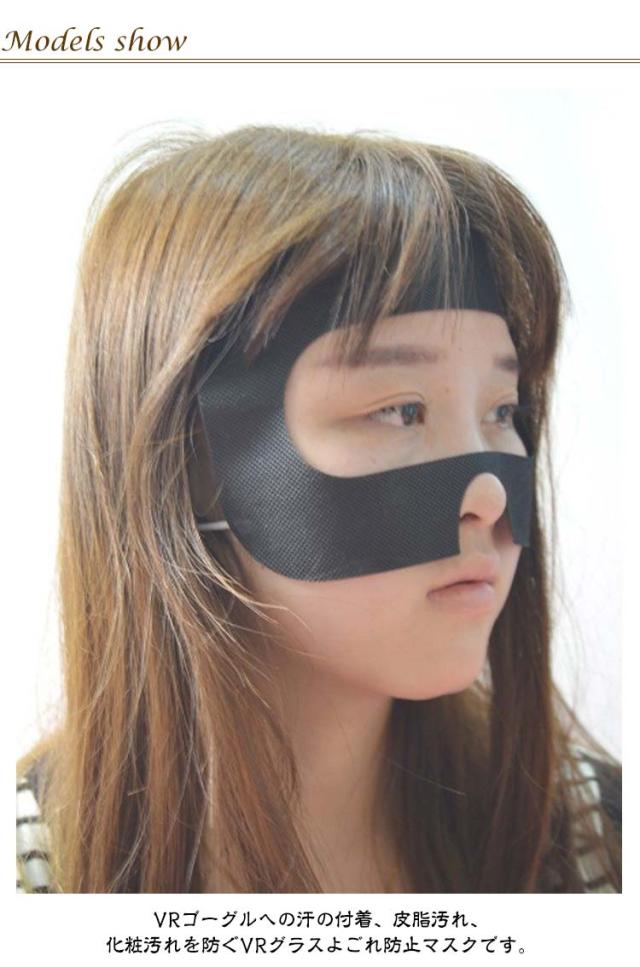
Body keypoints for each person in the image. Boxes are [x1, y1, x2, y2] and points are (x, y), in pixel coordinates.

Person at [16, 124, 621, 894]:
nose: (491, 494)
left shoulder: (596, 838)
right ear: (193, 464)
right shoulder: (35, 877)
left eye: (502, 410)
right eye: (401, 409)